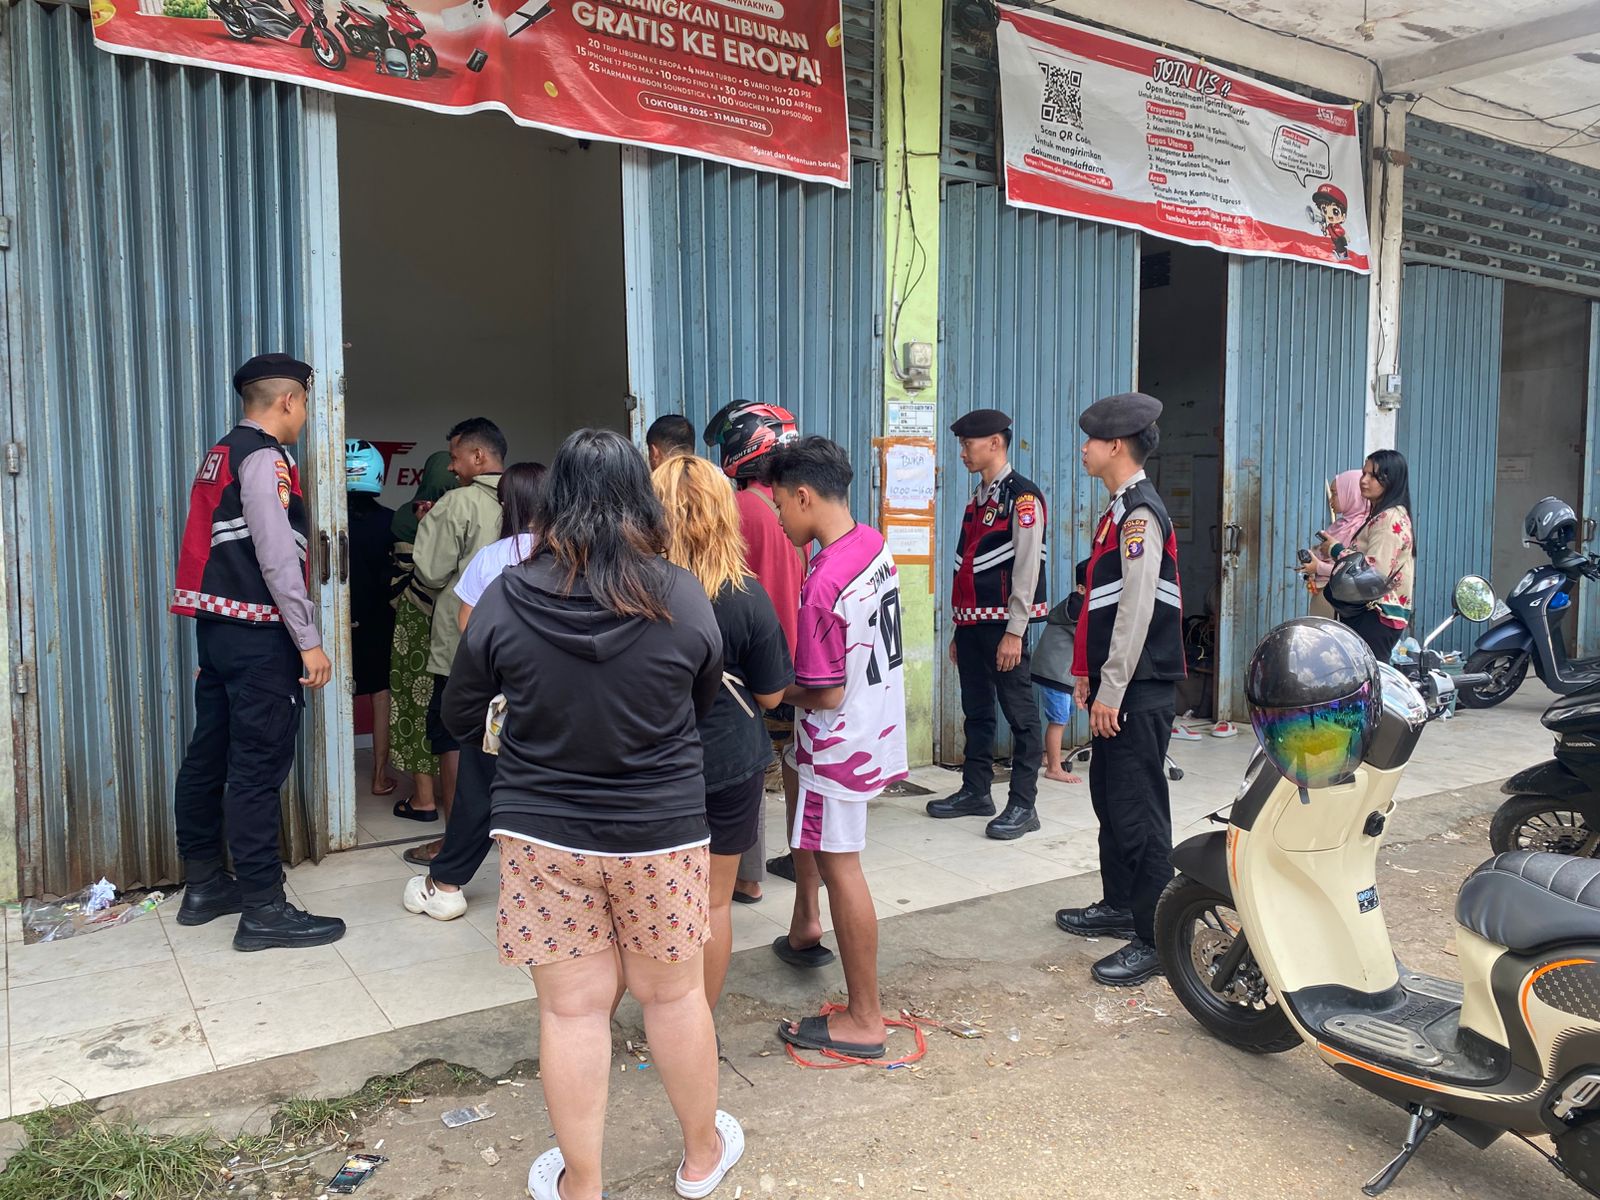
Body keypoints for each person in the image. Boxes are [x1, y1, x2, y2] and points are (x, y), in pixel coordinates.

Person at [442, 429, 742, 1200]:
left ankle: (584, 1184)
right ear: (641, 500)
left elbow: (460, 712)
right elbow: (699, 700)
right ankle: (701, 1157)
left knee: (572, 1013)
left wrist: (525, 726)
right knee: (674, 998)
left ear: (554, 504)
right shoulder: (681, 594)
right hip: (661, 832)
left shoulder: (507, 595)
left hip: (542, 834)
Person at [169, 353, 344, 951]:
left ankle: (204, 886)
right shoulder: (266, 458)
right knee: (256, 772)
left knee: (208, 757)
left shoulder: (221, 453)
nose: (305, 416)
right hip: (260, 635)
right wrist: (309, 642)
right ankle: (264, 908)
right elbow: (277, 557)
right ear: (289, 401)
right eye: (305, 404)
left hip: (219, 632)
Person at [766, 437, 908, 1060]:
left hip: (838, 745)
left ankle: (864, 1019)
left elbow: (823, 692)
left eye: (779, 504)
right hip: (873, 729)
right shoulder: (870, 543)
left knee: (840, 867)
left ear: (803, 496)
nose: (776, 517)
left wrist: (773, 693)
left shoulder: (824, 580)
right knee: (832, 856)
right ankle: (809, 934)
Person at [653, 453, 793, 1012]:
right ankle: (697, 1026)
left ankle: (655, 1013)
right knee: (712, 904)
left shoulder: (630, 593)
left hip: (651, 767)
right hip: (729, 763)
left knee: (651, 902)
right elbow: (771, 695)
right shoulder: (746, 595)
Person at [1055, 392, 1185, 988]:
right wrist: (1087, 672)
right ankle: (1119, 905)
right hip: (1120, 682)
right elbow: (1099, 606)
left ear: (1115, 446)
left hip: (1140, 685)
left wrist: (1111, 687)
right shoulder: (1118, 511)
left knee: (1140, 811)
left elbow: (1135, 608)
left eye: (1090, 440)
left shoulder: (1140, 515)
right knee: (1111, 801)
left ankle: (1155, 937)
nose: (1083, 449)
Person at [403, 461, 546, 922]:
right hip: (559, 697)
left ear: (506, 504)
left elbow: (468, 624)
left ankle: (446, 885)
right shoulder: (572, 555)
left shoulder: (494, 556)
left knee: (479, 785)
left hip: (501, 698)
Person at [927, 408, 1049, 840]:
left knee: (1021, 716)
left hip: (1003, 628)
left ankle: (1024, 804)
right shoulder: (978, 498)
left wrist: (1015, 631)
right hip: (972, 627)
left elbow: (1027, 567)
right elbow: (967, 567)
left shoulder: (1022, 498)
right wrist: (959, 627)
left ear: (995, 443)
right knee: (976, 712)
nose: (962, 452)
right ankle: (976, 790)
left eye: (968, 444)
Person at [701, 401, 804, 910]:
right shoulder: (785, 509)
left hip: (747, 666)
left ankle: (746, 877)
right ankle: (779, 867)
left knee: (745, 769)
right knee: (776, 764)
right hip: (786, 658)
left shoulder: (742, 509)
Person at [405, 417, 506, 866]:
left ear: (478, 456)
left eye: (455, 456)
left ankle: (454, 840)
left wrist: (428, 525)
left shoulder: (457, 503)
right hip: (519, 642)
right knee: (506, 731)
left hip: (461, 642)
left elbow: (430, 571)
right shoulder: (532, 498)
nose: (451, 465)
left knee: (453, 736)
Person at [387, 452, 455, 826]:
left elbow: (403, 576)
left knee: (415, 705)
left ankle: (424, 799)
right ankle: (456, 796)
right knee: (456, 708)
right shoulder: (468, 513)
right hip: (458, 621)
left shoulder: (405, 517)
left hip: (414, 623)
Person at [1321, 449, 1415, 662]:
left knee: (1367, 676)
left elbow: (1373, 573)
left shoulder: (1389, 519)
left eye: (1373, 476)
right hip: (1371, 613)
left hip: (1376, 615)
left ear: (1391, 480)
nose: (1364, 480)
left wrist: (1335, 550)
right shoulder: (1383, 515)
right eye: (1364, 473)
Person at [346, 439, 398, 797]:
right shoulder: (390, 521)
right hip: (379, 620)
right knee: (381, 695)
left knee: (334, 693)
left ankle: (334, 780)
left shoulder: (325, 521)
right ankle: (379, 778)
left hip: (334, 621)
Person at [1032, 559, 1087, 786]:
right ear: (1081, 588)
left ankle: (1048, 756)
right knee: (1058, 719)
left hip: (1057, 670)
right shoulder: (1078, 609)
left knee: (1065, 714)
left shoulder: (1073, 604)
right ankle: (1054, 769)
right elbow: (1089, 642)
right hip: (1055, 672)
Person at [1302, 469, 1369, 619]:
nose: (1331, 500)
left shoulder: (1362, 529)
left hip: (1339, 601)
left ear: (1351, 494)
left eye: (1335, 494)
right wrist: (1312, 568)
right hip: (1323, 593)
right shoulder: (1340, 525)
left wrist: (1318, 567)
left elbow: (1355, 570)